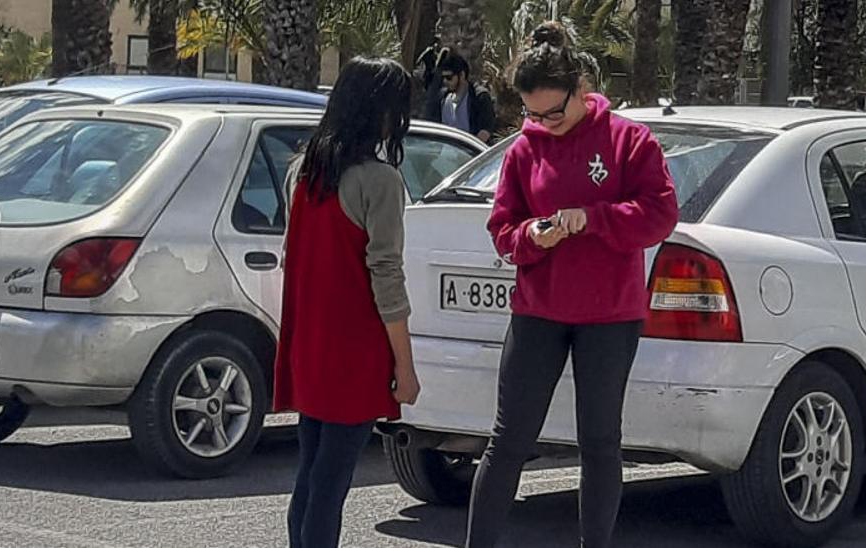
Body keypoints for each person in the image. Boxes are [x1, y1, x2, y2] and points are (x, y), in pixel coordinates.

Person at [464, 21, 679, 548]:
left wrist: (595, 218)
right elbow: (502, 229)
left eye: (552, 113)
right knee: (509, 438)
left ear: (582, 90)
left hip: (609, 316)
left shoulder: (630, 140)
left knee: (600, 442)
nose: (542, 124)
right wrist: (533, 236)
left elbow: (660, 215)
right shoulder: (522, 150)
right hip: (538, 309)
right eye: (531, 115)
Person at [274, 56, 422, 548]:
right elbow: (386, 277)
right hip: (354, 350)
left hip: (309, 342)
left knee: (312, 475)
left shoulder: (303, 169)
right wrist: (405, 364)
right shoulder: (379, 182)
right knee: (331, 482)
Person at [433, 48, 496, 144]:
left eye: (449, 78)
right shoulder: (443, 98)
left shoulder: (480, 97)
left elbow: (485, 132)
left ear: (462, 75)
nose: (445, 81)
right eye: (443, 78)